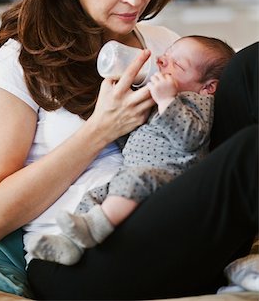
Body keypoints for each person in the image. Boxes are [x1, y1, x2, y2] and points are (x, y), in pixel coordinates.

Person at [0, 0, 257, 300]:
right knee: (251, 150)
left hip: (175, 222)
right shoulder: (22, 62)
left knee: (250, 67)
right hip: (80, 256)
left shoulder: (166, 45)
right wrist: (101, 130)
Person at [29, 35, 235, 265]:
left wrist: (167, 100)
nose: (161, 62)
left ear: (208, 88)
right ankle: (71, 244)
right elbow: (136, 139)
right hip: (133, 174)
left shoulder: (196, 103)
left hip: (170, 178)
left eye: (177, 64)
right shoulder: (158, 100)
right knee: (95, 196)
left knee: (137, 179)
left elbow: (191, 137)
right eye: (165, 55)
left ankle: (95, 229)